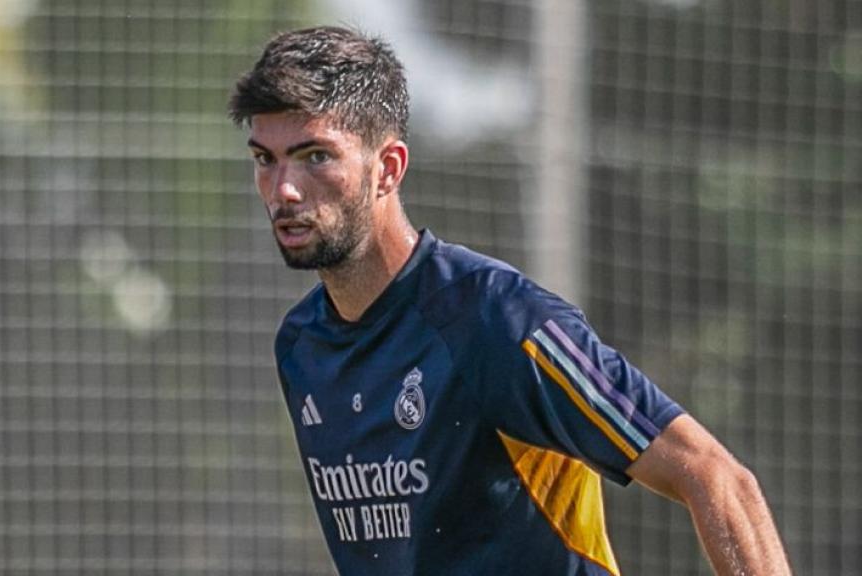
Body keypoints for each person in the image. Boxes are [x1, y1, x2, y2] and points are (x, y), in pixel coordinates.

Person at [229, 26, 791, 576]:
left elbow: (716, 477)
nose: (284, 190)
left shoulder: (493, 317)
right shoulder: (301, 345)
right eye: (265, 159)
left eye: (316, 157)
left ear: (389, 169)